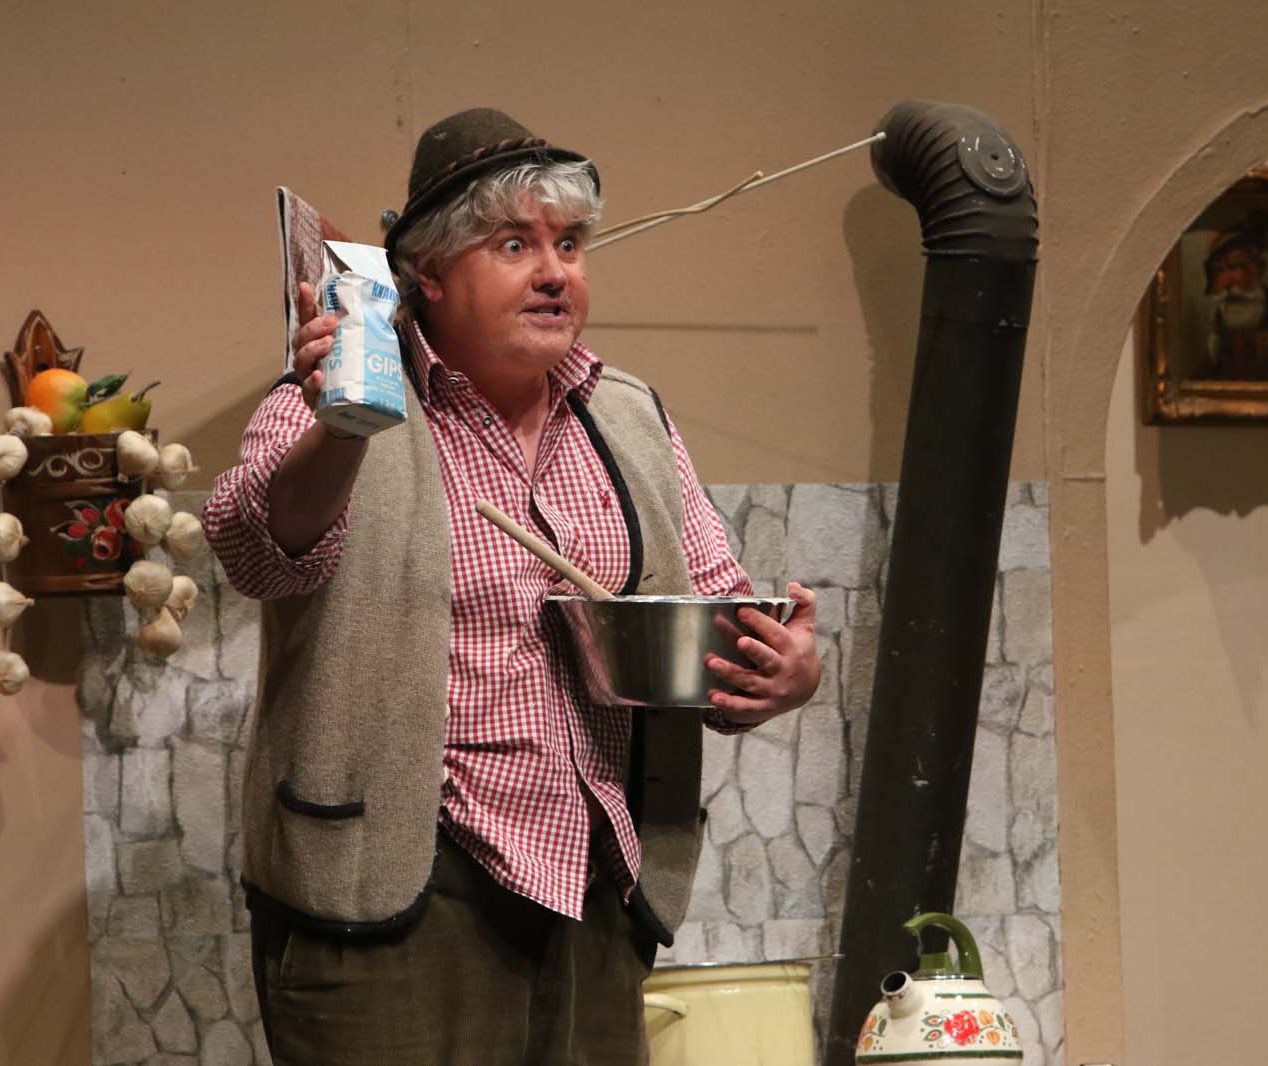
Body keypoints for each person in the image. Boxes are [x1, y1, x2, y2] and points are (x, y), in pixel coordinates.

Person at [204, 107, 822, 1066]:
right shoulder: (331, 399)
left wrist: (778, 670)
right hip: (397, 889)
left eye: (569, 244)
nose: (554, 271)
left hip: (595, 885)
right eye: (513, 244)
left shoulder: (628, 414)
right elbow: (255, 552)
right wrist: (341, 426)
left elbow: (714, 612)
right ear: (429, 272)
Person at [1194, 209, 1268, 381]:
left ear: (1259, 269)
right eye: (1218, 270)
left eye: (1235, 266)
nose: (1226, 281)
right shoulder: (1214, 338)